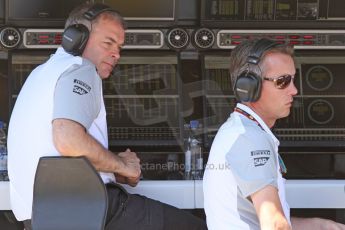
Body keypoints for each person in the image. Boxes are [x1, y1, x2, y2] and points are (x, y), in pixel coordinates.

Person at [7, 3, 207, 230]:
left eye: (119, 46)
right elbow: (67, 139)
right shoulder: (81, 69)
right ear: (77, 37)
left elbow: (60, 153)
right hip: (87, 210)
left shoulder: (41, 73)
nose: (116, 53)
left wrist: (109, 166)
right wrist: (123, 165)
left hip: (42, 217)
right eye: (108, 43)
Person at [203, 38, 345, 230]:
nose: (294, 90)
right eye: (282, 81)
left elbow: (263, 221)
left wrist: (320, 225)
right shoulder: (250, 139)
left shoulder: (240, 131)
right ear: (249, 86)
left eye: (293, 79)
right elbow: (274, 225)